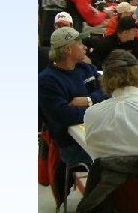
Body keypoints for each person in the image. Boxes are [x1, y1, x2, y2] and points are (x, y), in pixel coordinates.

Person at [38, 28, 106, 167]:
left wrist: (88, 100)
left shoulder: (86, 68)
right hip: (72, 144)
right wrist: (102, 109)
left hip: (99, 132)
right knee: (120, 157)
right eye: (80, 43)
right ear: (69, 49)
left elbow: (108, 90)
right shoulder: (47, 80)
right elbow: (65, 116)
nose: (85, 47)